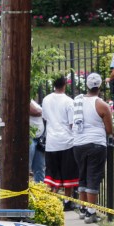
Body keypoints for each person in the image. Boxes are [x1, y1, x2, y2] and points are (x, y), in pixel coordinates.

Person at [73, 73, 113, 224]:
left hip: (78, 144)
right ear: (100, 86)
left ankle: (83, 209)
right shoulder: (102, 105)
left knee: (82, 176)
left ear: (87, 86)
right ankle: (91, 212)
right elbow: (109, 130)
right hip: (96, 144)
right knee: (93, 177)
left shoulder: (77, 102)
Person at [42, 76, 78, 209]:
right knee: (68, 175)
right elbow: (72, 123)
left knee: (52, 174)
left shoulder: (46, 99)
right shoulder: (69, 101)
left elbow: (45, 117)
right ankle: (67, 202)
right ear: (65, 85)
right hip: (67, 142)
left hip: (51, 141)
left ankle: (49, 200)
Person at [29, 99, 45, 183]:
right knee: (25, 168)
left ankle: (40, 193)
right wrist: (43, 111)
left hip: (38, 138)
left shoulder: (32, 101)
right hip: (29, 138)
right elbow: (35, 111)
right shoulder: (23, 97)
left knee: (39, 169)